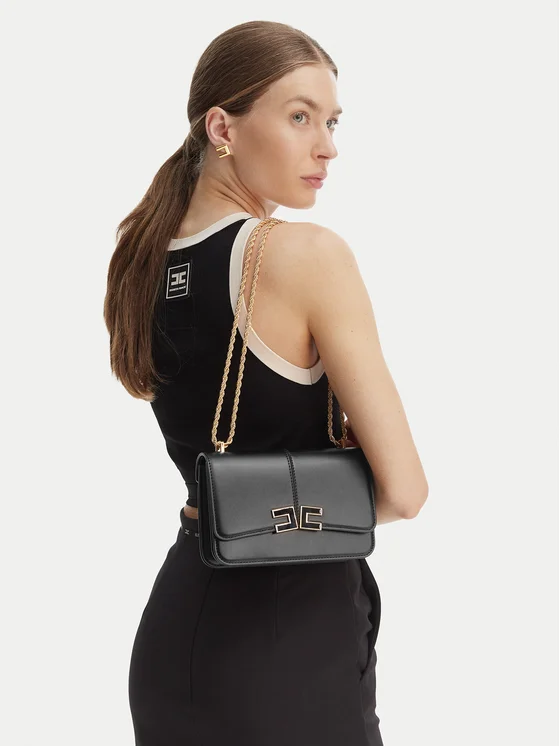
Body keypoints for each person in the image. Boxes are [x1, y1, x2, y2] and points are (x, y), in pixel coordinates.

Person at [104, 19, 428, 746]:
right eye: (300, 117)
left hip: (176, 639)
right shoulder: (304, 255)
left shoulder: (143, 257)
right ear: (222, 127)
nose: (328, 146)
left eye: (332, 121)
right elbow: (404, 492)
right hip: (290, 646)